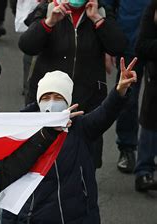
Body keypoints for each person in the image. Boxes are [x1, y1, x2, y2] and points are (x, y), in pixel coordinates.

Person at [1, 60, 138, 224]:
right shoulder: (21, 135)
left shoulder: (81, 129)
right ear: (38, 99)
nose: (52, 101)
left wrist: (119, 90)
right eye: (47, 96)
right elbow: (10, 195)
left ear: (68, 100)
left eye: (58, 96)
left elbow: (105, 113)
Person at [19, 0, 127, 168]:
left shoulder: (101, 11)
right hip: (50, 99)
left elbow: (118, 46)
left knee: (83, 160)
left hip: (86, 100)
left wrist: (97, 19)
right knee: (42, 159)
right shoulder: (48, 9)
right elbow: (27, 45)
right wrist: (49, 22)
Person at [102, 0, 150, 174]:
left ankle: (149, 156)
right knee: (127, 97)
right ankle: (127, 148)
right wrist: (111, 40)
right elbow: (108, 6)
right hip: (130, 40)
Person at [134, 0, 157, 192]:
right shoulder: (153, 9)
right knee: (151, 123)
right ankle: (144, 171)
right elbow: (141, 45)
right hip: (156, 78)